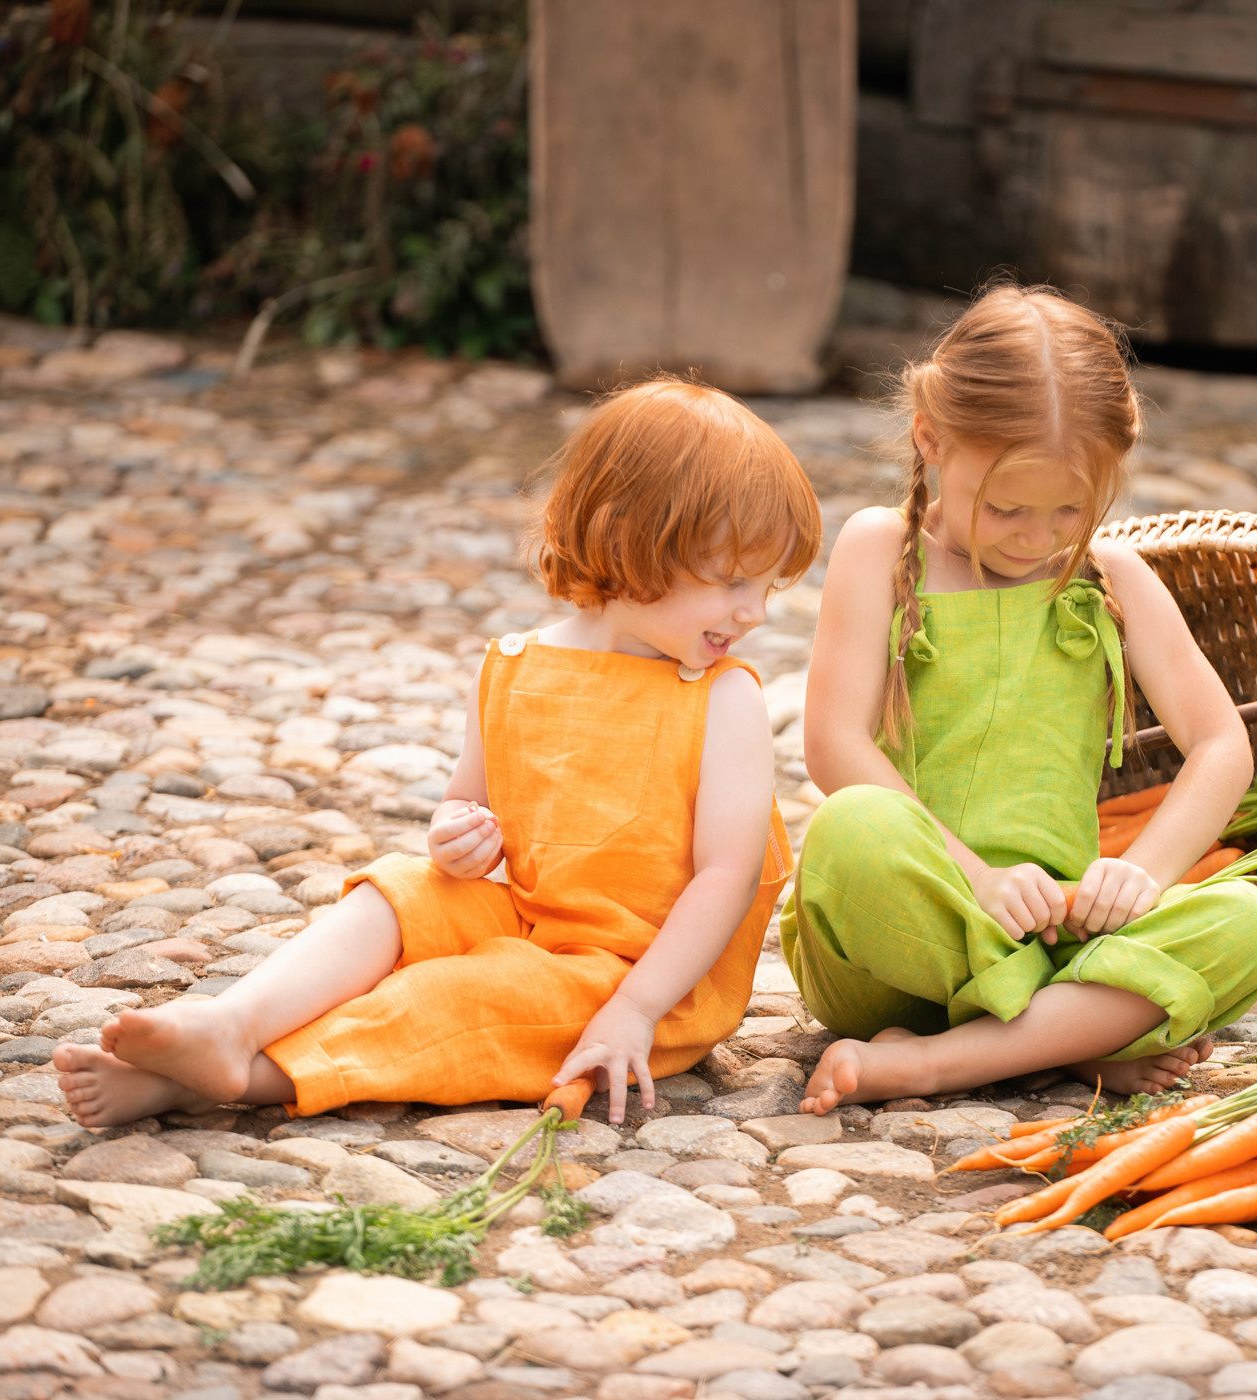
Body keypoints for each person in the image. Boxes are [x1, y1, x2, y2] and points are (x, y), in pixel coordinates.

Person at [55, 379, 821, 1127]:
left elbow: (728, 876)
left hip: (636, 974)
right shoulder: (516, 665)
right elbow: (471, 809)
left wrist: (634, 1011)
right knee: (394, 893)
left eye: (767, 587)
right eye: (730, 581)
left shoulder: (722, 698)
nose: (752, 612)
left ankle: (225, 1083)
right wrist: (456, 839)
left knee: (459, 1001)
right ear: (627, 540)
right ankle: (232, 1021)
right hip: (527, 913)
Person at [788, 284, 1257, 1112]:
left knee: (1247, 923)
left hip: (1063, 928)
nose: (1037, 535)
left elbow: (1221, 744)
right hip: (910, 935)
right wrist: (975, 877)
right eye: (1009, 507)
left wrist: (1142, 875)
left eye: (1070, 509)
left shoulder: (1114, 578)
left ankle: (943, 1062)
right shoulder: (884, 549)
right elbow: (835, 745)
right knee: (852, 829)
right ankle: (1075, 1039)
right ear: (931, 438)